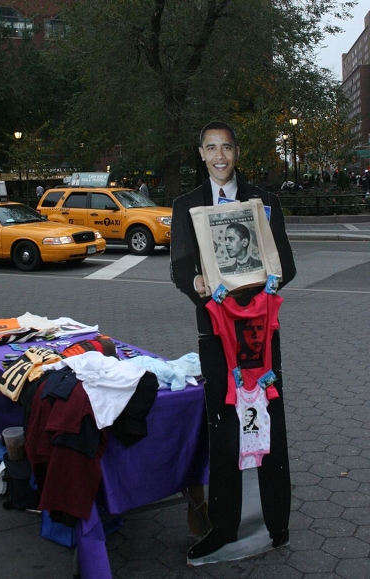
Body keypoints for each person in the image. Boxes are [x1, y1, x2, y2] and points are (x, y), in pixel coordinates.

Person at [170, 120, 296, 564]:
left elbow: (288, 266)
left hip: (260, 337)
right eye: (211, 148)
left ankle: (276, 523)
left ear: (236, 152)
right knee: (224, 427)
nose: (219, 155)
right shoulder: (186, 205)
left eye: (226, 147)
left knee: (269, 424)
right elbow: (179, 269)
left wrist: (270, 281)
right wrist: (197, 282)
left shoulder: (264, 203)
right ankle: (224, 527)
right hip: (216, 334)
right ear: (201, 153)